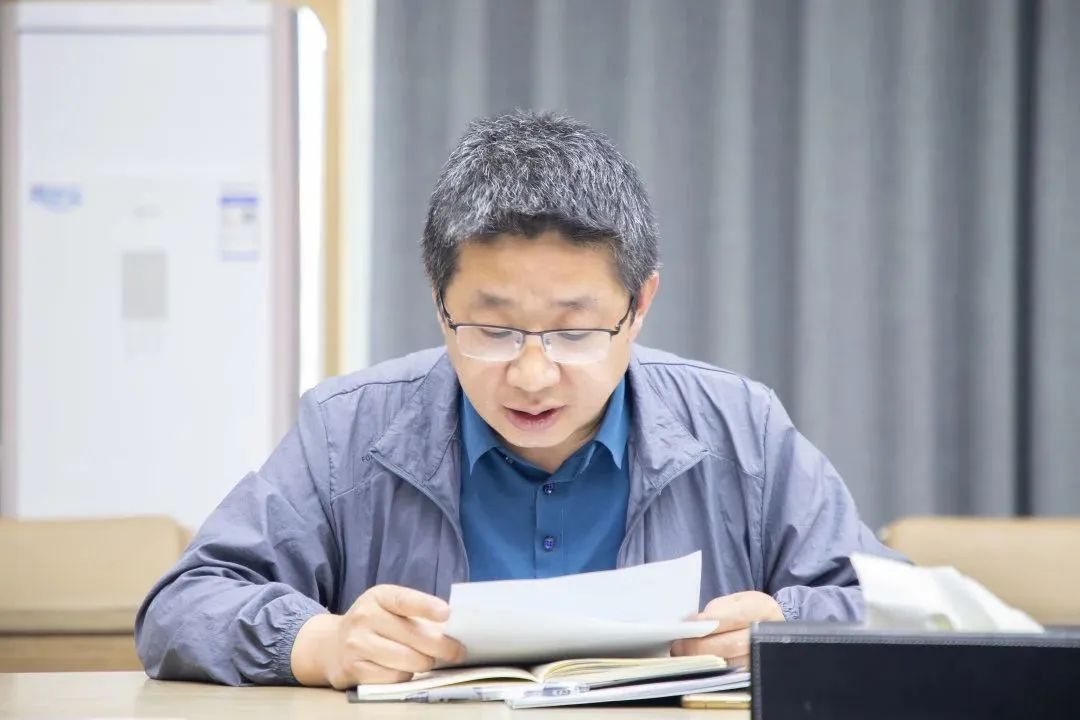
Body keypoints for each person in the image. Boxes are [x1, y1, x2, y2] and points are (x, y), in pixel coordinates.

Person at [135, 110, 904, 688]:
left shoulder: (741, 430)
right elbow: (182, 606)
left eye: (574, 332)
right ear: (440, 303)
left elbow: (904, 611)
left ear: (640, 305)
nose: (533, 375)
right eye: (493, 330)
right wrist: (321, 644)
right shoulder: (348, 431)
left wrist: (788, 627)